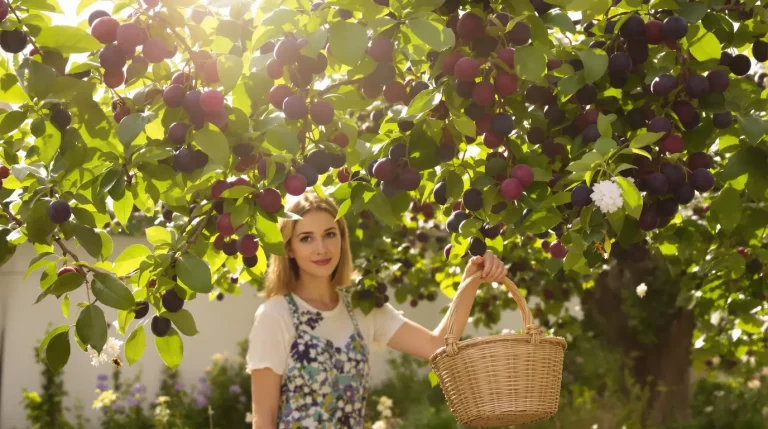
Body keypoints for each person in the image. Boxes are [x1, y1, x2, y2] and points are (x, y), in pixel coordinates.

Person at [246, 192, 508, 429]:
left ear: (341, 237)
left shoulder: (362, 307)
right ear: (289, 248)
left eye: (329, 234)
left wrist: (471, 280)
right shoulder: (275, 315)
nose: (321, 248)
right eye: (306, 238)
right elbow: (264, 418)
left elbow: (436, 345)